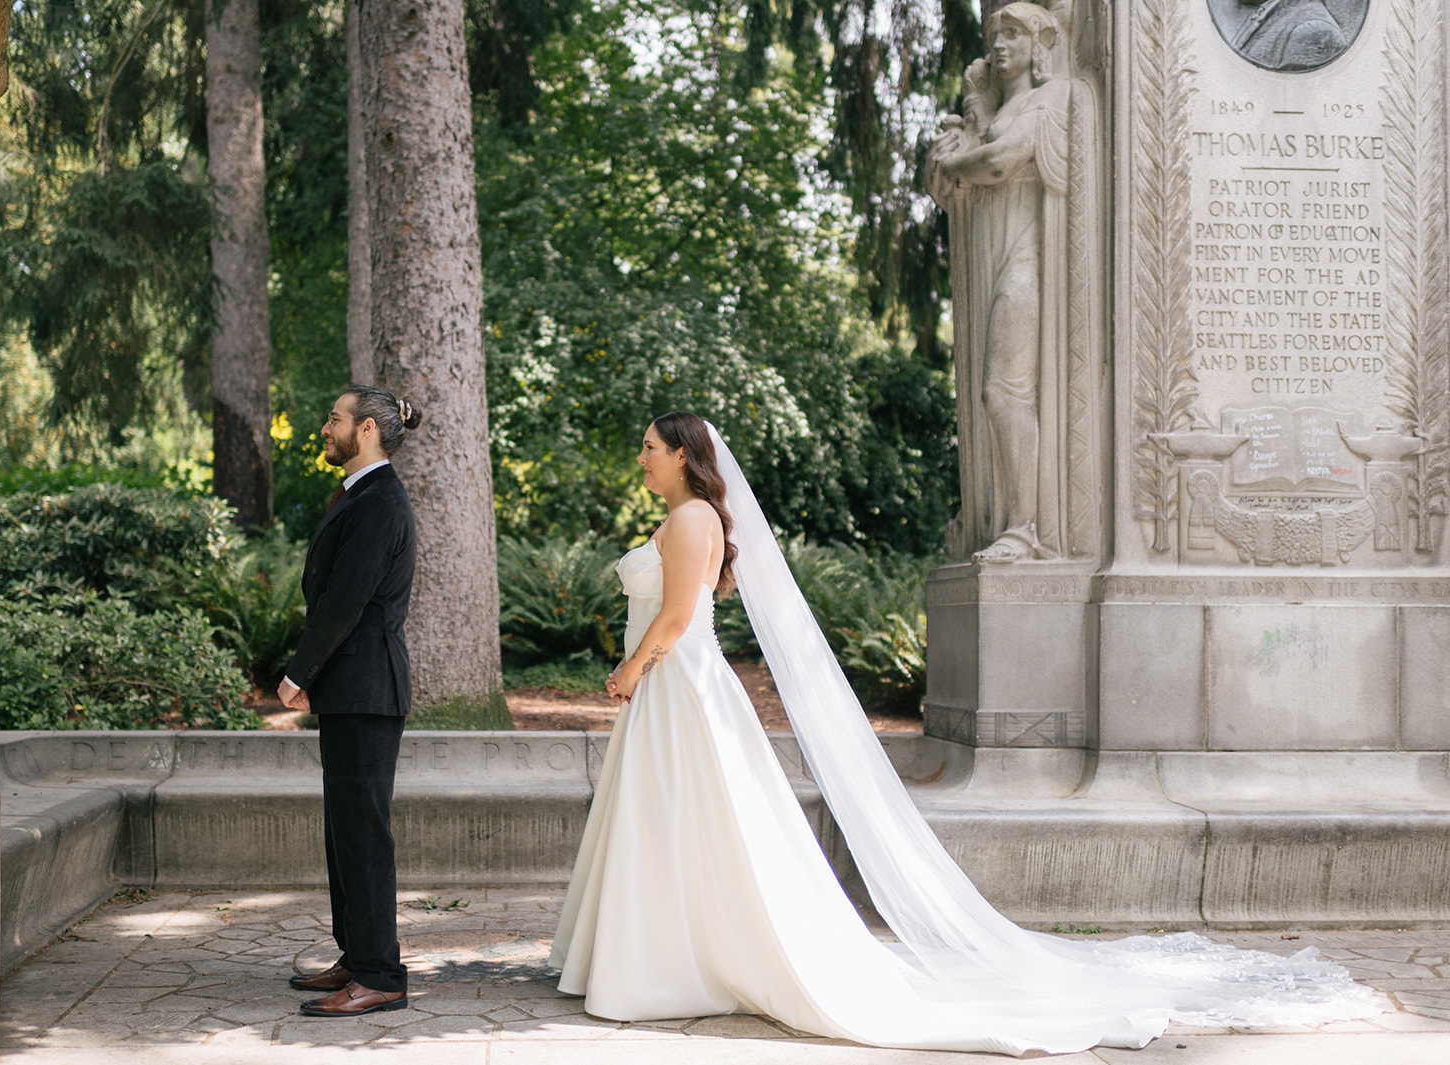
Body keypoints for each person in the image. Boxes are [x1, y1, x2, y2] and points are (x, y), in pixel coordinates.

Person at [549, 411, 1379, 1053]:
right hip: (670, 686)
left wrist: (629, 671)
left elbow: (681, 615)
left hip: (675, 680)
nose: (643, 457)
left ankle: (672, 957)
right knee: (670, 819)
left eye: (652, 447)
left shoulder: (693, 518)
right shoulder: (685, 517)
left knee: (692, 817)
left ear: (685, 455)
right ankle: (652, 947)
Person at [926, 1, 1099, 562]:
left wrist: (960, 161)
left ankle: (1025, 528)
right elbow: (946, 182)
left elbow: (1000, 162)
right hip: (993, 252)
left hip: (1029, 257)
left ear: (1040, 44)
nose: (999, 44)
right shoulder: (995, 109)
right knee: (993, 391)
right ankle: (1006, 520)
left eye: (1013, 33)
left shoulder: (1058, 96)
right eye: (994, 33)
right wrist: (958, 144)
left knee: (1003, 389)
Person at [277, 385, 422, 1017]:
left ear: (365, 429)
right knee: (344, 832)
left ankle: (381, 975)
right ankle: (356, 955)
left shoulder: (380, 502)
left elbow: (344, 600)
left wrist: (298, 671)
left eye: (334, 418)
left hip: (366, 687)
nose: (325, 426)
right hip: (352, 689)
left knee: (363, 835)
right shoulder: (362, 494)